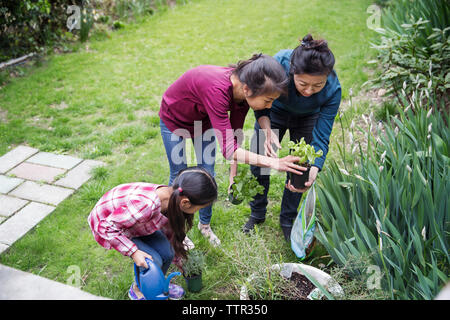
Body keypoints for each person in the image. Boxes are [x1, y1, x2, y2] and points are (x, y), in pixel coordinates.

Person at [159, 54, 307, 247]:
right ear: (247, 89)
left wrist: (232, 179)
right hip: (174, 118)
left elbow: (233, 142)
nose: (269, 107)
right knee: (179, 177)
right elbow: (230, 150)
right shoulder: (217, 89)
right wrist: (275, 163)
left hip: (202, 121)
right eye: (268, 100)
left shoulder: (241, 96)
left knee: (207, 176)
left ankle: (204, 226)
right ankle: (175, 232)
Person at [242, 34, 342, 241]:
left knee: (300, 169)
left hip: (308, 117)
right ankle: (257, 213)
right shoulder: (278, 65)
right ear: (292, 73)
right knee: (260, 162)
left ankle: (288, 219)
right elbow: (259, 102)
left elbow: (322, 135)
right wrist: (267, 130)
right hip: (273, 111)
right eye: (303, 83)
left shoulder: (333, 89)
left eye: (317, 86)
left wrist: (315, 166)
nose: (309, 90)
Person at [87, 166, 218, 300]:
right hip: (110, 224)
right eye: (199, 208)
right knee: (152, 259)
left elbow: (169, 234)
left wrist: (181, 263)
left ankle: (158, 284)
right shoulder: (147, 206)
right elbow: (106, 227)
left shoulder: (172, 198)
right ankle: (138, 290)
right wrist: (134, 252)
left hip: (132, 221)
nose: (197, 211)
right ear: (185, 202)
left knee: (168, 253)